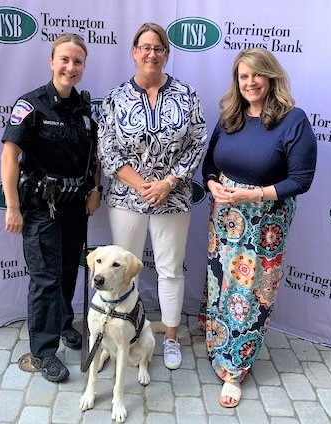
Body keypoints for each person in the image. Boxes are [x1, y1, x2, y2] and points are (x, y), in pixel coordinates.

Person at [198, 48, 317, 407]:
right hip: (225, 220)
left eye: (256, 75)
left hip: (265, 223)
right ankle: (216, 342)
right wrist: (211, 185)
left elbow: (301, 179)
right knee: (220, 284)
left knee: (249, 295)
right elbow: (208, 165)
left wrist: (254, 195)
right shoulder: (230, 117)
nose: (249, 83)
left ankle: (235, 369)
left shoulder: (293, 120)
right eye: (242, 76)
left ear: (271, 77)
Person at [98, 22, 207, 370]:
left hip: (172, 199)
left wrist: (168, 182)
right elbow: (107, 149)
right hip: (127, 199)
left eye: (158, 48)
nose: (151, 54)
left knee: (170, 270)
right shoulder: (116, 97)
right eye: (145, 47)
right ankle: (113, 337)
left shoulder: (186, 95)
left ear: (166, 54)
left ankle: (171, 337)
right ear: (134, 52)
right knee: (120, 270)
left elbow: (197, 142)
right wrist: (142, 184)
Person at [0, 33, 101, 383]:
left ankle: (63, 324)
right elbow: (9, 156)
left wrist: (95, 188)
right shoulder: (31, 105)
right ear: (52, 62)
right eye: (65, 60)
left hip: (75, 205)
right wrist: (12, 205)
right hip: (41, 208)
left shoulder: (86, 111)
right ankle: (44, 351)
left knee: (68, 273)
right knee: (44, 280)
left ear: (83, 67)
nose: (70, 67)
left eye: (77, 62)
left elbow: (95, 157)